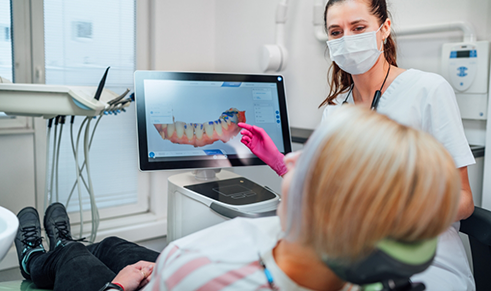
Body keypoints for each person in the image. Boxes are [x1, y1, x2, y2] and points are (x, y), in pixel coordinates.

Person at [15, 106, 459, 291]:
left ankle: (39, 257)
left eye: (308, 160)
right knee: (110, 246)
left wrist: (121, 285)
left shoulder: (194, 264)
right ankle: (62, 249)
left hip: (168, 279)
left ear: (316, 207)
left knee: (78, 256)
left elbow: (184, 269)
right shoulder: (379, 271)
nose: (294, 157)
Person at [239, 0, 475, 291]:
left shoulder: (428, 90)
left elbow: (463, 200)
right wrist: (280, 163)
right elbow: (320, 193)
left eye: (358, 27)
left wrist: (386, 212)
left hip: (423, 257)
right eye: (336, 32)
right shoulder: (336, 111)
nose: (346, 39)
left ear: (384, 27)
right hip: (348, 252)